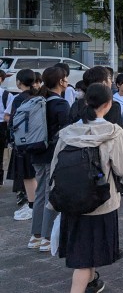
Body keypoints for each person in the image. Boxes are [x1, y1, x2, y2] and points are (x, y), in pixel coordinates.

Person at [55, 83, 123, 293]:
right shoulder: (113, 132)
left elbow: (56, 167)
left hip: (71, 202)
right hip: (101, 203)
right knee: (84, 259)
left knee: (84, 249)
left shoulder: (67, 132)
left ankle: (92, 283)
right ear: (108, 105)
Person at [29, 66, 71, 252]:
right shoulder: (60, 104)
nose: (67, 81)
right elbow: (66, 132)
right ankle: (46, 238)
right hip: (52, 155)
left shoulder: (39, 100)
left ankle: (35, 236)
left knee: (39, 194)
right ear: (61, 81)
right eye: (65, 78)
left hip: (35, 152)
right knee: (50, 194)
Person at [7, 69, 40, 221]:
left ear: (19, 82)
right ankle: (36, 204)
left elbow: (14, 122)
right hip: (39, 140)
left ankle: (32, 206)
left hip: (23, 142)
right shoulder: (39, 97)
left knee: (27, 175)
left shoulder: (19, 99)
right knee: (36, 174)